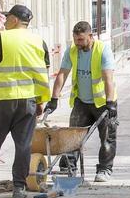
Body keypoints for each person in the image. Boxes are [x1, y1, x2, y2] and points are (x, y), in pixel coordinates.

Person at [0, 4, 51, 198]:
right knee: (23, 144)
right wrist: (40, 101)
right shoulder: (39, 42)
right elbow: (43, 73)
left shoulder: (1, 37)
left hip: (2, 100)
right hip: (27, 101)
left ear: (15, 20)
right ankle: (19, 187)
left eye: (8, 18)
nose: (5, 21)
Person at [45, 21, 117, 182]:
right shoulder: (72, 51)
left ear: (90, 36)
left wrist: (110, 102)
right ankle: (69, 167)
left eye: (81, 40)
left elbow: (108, 79)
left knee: (107, 137)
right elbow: (62, 75)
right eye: (76, 39)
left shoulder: (102, 50)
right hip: (82, 102)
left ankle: (104, 170)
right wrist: (54, 99)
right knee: (73, 136)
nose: (78, 43)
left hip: (103, 103)